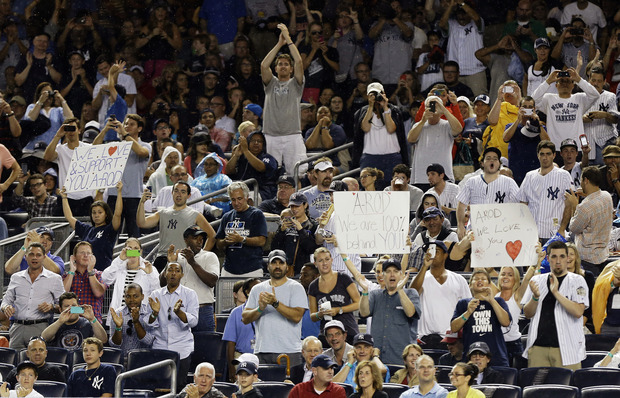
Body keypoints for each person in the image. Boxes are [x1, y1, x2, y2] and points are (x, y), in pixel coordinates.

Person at [522, 241, 589, 369]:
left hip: (568, 349)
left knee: (567, 389)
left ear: (567, 258)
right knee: (537, 389)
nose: (558, 261)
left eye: (562, 256)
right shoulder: (537, 280)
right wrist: (535, 297)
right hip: (538, 348)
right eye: (554, 256)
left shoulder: (577, 280)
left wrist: (556, 293)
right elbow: (527, 313)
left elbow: (578, 312)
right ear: (548, 259)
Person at [242, 249, 308, 366]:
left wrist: (275, 303)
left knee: (290, 384)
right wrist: (260, 308)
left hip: (289, 350)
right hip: (262, 350)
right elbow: (245, 318)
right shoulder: (257, 288)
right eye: (274, 263)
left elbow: (297, 316)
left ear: (287, 267)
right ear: (268, 266)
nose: (277, 266)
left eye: (281, 263)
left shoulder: (296, 287)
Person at [137, 181, 216, 272]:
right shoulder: (162, 213)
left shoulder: (195, 214)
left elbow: (212, 235)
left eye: (183, 192)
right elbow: (142, 223)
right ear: (172, 193)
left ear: (188, 195)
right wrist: (142, 202)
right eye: (176, 191)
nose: (179, 194)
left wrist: (200, 256)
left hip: (183, 259)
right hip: (163, 258)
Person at [95, 114, 151, 238]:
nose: (127, 126)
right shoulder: (115, 146)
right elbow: (94, 149)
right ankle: (110, 257)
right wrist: (105, 130)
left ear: (139, 128)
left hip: (134, 197)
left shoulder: (145, 146)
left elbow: (141, 153)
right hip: (114, 195)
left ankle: (133, 257)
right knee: (110, 233)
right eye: (125, 124)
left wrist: (125, 135)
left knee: (134, 235)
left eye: (131, 124)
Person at [261, 23, 306, 177]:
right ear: (276, 68)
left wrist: (288, 38)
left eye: (286, 64)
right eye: (280, 64)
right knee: (270, 174)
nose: (283, 66)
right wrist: (279, 43)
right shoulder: (270, 83)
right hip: (270, 135)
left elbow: (299, 61)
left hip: (292, 134)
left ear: (291, 69)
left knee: (297, 173)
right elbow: (263, 65)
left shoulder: (296, 83)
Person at [145, 262, 199, 392]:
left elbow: (194, 321)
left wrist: (179, 313)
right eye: (170, 270)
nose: (173, 273)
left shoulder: (190, 294)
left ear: (182, 275)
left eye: (177, 270)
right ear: (165, 274)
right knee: (159, 387)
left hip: (182, 348)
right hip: (160, 347)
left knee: (179, 387)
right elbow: (148, 322)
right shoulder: (155, 295)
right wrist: (155, 313)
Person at [1, 242, 64, 350]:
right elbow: (5, 301)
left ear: (44, 257)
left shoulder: (55, 279)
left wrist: (52, 307)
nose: (34, 258)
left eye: (38, 255)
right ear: (25, 257)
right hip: (17, 328)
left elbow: (65, 306)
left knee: (37, 363)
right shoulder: (16, 277)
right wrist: (6, 307)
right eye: (31, 254)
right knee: (14, 363)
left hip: (40, 327)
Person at [410, 242, 472, 349]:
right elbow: (412, 293)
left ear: (445, 255)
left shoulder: (459, 279)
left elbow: (467, 308)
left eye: (436, 251)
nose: (432, 254)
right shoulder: (421, 277)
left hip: (451, 338)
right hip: (424, 338)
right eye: (429, 252)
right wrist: (424, 266)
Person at [360, 258, 420, 364]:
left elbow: (410, 313)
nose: (392, 275)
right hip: (378, 359)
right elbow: (364, 312)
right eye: (388, 272)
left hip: (403, 360)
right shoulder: (375, 295)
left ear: (401, 275)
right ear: (383, 276)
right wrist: (365, 292)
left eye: (396, 271)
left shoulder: (411, 293)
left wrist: (400, 289)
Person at [532, 63, 600, 153]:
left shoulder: (580, 98)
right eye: (561, 81)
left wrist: (579, 79)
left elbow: (595, 95)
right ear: (556, 85)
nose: (565, 84)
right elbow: (533, 100)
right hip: (555, 148)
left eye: (568, 81)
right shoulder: (548, 98)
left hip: (576, 148)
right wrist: (548, 81)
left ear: (573, 85)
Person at [450, 269, 511, 367]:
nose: (480, 281)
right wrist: (468, 312)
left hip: (496, 356)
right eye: (476, 279)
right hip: (471, 356)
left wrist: (492, 300)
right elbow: (454, 328)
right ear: (470, 285)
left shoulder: (498, 301)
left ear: (489, 284)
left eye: (483, 279)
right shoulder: (463, 303)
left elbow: (506, 322)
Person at [456, 147, 520, 239]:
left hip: (500, 232)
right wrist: (460, 226)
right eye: (488, 158)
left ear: (499, 164)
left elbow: (519, 206)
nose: (492, 161)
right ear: (482, 163)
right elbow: (461, 205)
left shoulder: (509, 182)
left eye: (495, 159)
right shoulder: (472, 181)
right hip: (475, 232)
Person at [165, 225, 220, 332]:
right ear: (186, 240)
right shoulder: (177, 258)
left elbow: (212, 281)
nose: (199, 242)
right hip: (179, 309)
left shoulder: (210, 256)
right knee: (179, 346)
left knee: (204, 347)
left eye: (201, 239)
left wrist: (192, 262)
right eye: (195, 238)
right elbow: (163, 283)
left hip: (202, 310)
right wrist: (170, 263)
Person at [353, 82, 408, 184]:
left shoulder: (393, 110)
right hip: (370, 157)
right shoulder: (362, 112)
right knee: (369, 188)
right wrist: (370, 106)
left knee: (394, 188)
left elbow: (391, 129)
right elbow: (365, 128)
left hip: (392, 157)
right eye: (372, 95)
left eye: (378, 94)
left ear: (384, 94)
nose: (376, 98)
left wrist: (385, 107)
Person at [60, 182, 123, 271]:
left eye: (100, 212)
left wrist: (119, 192)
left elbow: (117, 214)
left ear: (106, 214)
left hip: (102, 274)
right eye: (94, 213)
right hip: (84, 274)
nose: (96, 215)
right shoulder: (86, 230)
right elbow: (69, 217)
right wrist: (64, 198)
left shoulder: (110, 229)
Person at [518, 140, 574, 240]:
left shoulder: (563, 175)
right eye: (542, 154)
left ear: (554, 155)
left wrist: (562, 229)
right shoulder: (529, 176)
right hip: (533, 234)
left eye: (548, 154)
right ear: (538, 155)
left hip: (554, 231)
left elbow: (569, 204)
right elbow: (522, 203)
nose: (545, 157)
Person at [564, 166, 613, 275]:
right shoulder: (607, 196)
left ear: (586, 180)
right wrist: (587, 195)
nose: (580, 183)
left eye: (581, 180)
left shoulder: (584, 207)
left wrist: (574, 206)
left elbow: (573, 228)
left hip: (587, 259)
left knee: (589, 290)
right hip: (603, 255)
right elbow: (595, 202)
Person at [408, 92, 463, 188]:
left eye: (437, 105)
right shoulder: (419, 125)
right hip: (421, 176)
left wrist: (444, 110)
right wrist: (423, 120)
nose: (433, 107)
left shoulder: (446, 125)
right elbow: (410, 139)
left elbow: (458, 129)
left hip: (443, 176)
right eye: (430, 105)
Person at [215, 181, 267, 277]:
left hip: (252, 269)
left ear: (247, 197)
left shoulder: (256, 214)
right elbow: (218, 244)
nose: (236, 203)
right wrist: (226, 241)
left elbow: (261, 241)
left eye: (239, 199)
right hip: (229, 269)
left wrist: (241, 239)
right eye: (233, 199)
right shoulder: (227, 217)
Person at [42, 118, 92, 216]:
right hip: (65, 197)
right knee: (63, 229)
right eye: (67, 129)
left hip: (85, 196)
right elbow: (47, 157)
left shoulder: (88, 148)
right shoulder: (60, 149)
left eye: (73, 128)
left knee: (85, 229)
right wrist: (57, 135)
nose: (70, 132)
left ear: (79, 130)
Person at [309, 247, 360, 341]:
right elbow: (312, 316)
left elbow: (358, 303)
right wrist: (319, 314)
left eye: (327, 259)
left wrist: (338, 310)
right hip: (327, 333)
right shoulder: (313, 286)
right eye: (320, 260)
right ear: (315, 263)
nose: (324, 263)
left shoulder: (344, 278)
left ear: (332, 260)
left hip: (348, 330)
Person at [101, 238, 159, 320]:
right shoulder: (119, 266)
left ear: (141, 251)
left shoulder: (149, 268)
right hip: (119, 316)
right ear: (124, 250)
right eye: (129, 248)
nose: (133, 251)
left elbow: (157, 290)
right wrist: (119, 259)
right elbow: (105, 278)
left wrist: (150, 274)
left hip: (141, 317)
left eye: (136, 248)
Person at [503, 96, 550, 185]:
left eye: (530, 107)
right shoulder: (511, 126)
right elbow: (505, 138)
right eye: (524, 107)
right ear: (519, 108)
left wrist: (538, 123)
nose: (527, 109)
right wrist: (518, 120)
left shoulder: (540, 127)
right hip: (516, 169)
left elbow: (547, 143)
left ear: (534, 109)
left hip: (535, 170)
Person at [271, 192, 319, 275]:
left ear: (305, 205)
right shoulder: (285, 225)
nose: (294, 209)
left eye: (297, 206)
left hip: (305, 269)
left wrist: (301, 230)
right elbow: (275, 247)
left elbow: (312, 249)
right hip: (285, 268)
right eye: (292, 206)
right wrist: (281, 232)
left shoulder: (313, 225)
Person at [222, 278, 260, 382]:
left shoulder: (267, 311)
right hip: (241, 357)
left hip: (261, 357)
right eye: (256, 288)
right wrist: (231, 369)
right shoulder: (236, 312)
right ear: (247, 292)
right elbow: (230, 343)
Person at [41, 291, 108, 350]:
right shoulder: (57, 324)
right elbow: (44, 338)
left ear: (78, 307)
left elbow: (103, 340)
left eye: (73, 305)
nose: (70, 309)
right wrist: (60, 322)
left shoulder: (88, 323)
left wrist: (92, 319)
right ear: (60, 310)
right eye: (67, 306)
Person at [225, 130, 278, 201]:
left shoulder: (268, 158)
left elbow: (261, 167)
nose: (256, 143)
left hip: (261, 191)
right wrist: (236, 155)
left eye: (259, 141)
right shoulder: (242, 157)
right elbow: (229, 171)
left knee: (248, 199)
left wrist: (246, 151)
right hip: (240, 190)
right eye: (253, 140)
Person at [583, 67, 619, 165]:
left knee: (605, 175)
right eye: (593, 80)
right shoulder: (580, 96)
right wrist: (582, 119)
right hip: (587, 143)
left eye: (599, 81)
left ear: (604, 82)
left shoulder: (610, 96)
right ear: (588, 80)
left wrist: (605, 115)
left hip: (605, 142)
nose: (595, 83)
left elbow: (616, 119)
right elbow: (573, 119)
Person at [108, 283, 154, 355]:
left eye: (135, 296)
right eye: (128, 296)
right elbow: (114, 344)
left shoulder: (149, 313)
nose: (131, 300)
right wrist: (118, 327)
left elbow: (149, 341)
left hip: (144, 359)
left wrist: (136, 322)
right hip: (122, 358)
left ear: (142, 297)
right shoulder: (117, 314)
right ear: (124, 297)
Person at [481, 80, 522, 159]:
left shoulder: (524, 106)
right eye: (506, 89)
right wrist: (499, 98)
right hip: (498, 154)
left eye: (512, 89)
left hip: (517, 152)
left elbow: (526, 120)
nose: (509, 93)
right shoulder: (500, 106)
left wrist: (519, 96)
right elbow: (492, 121)